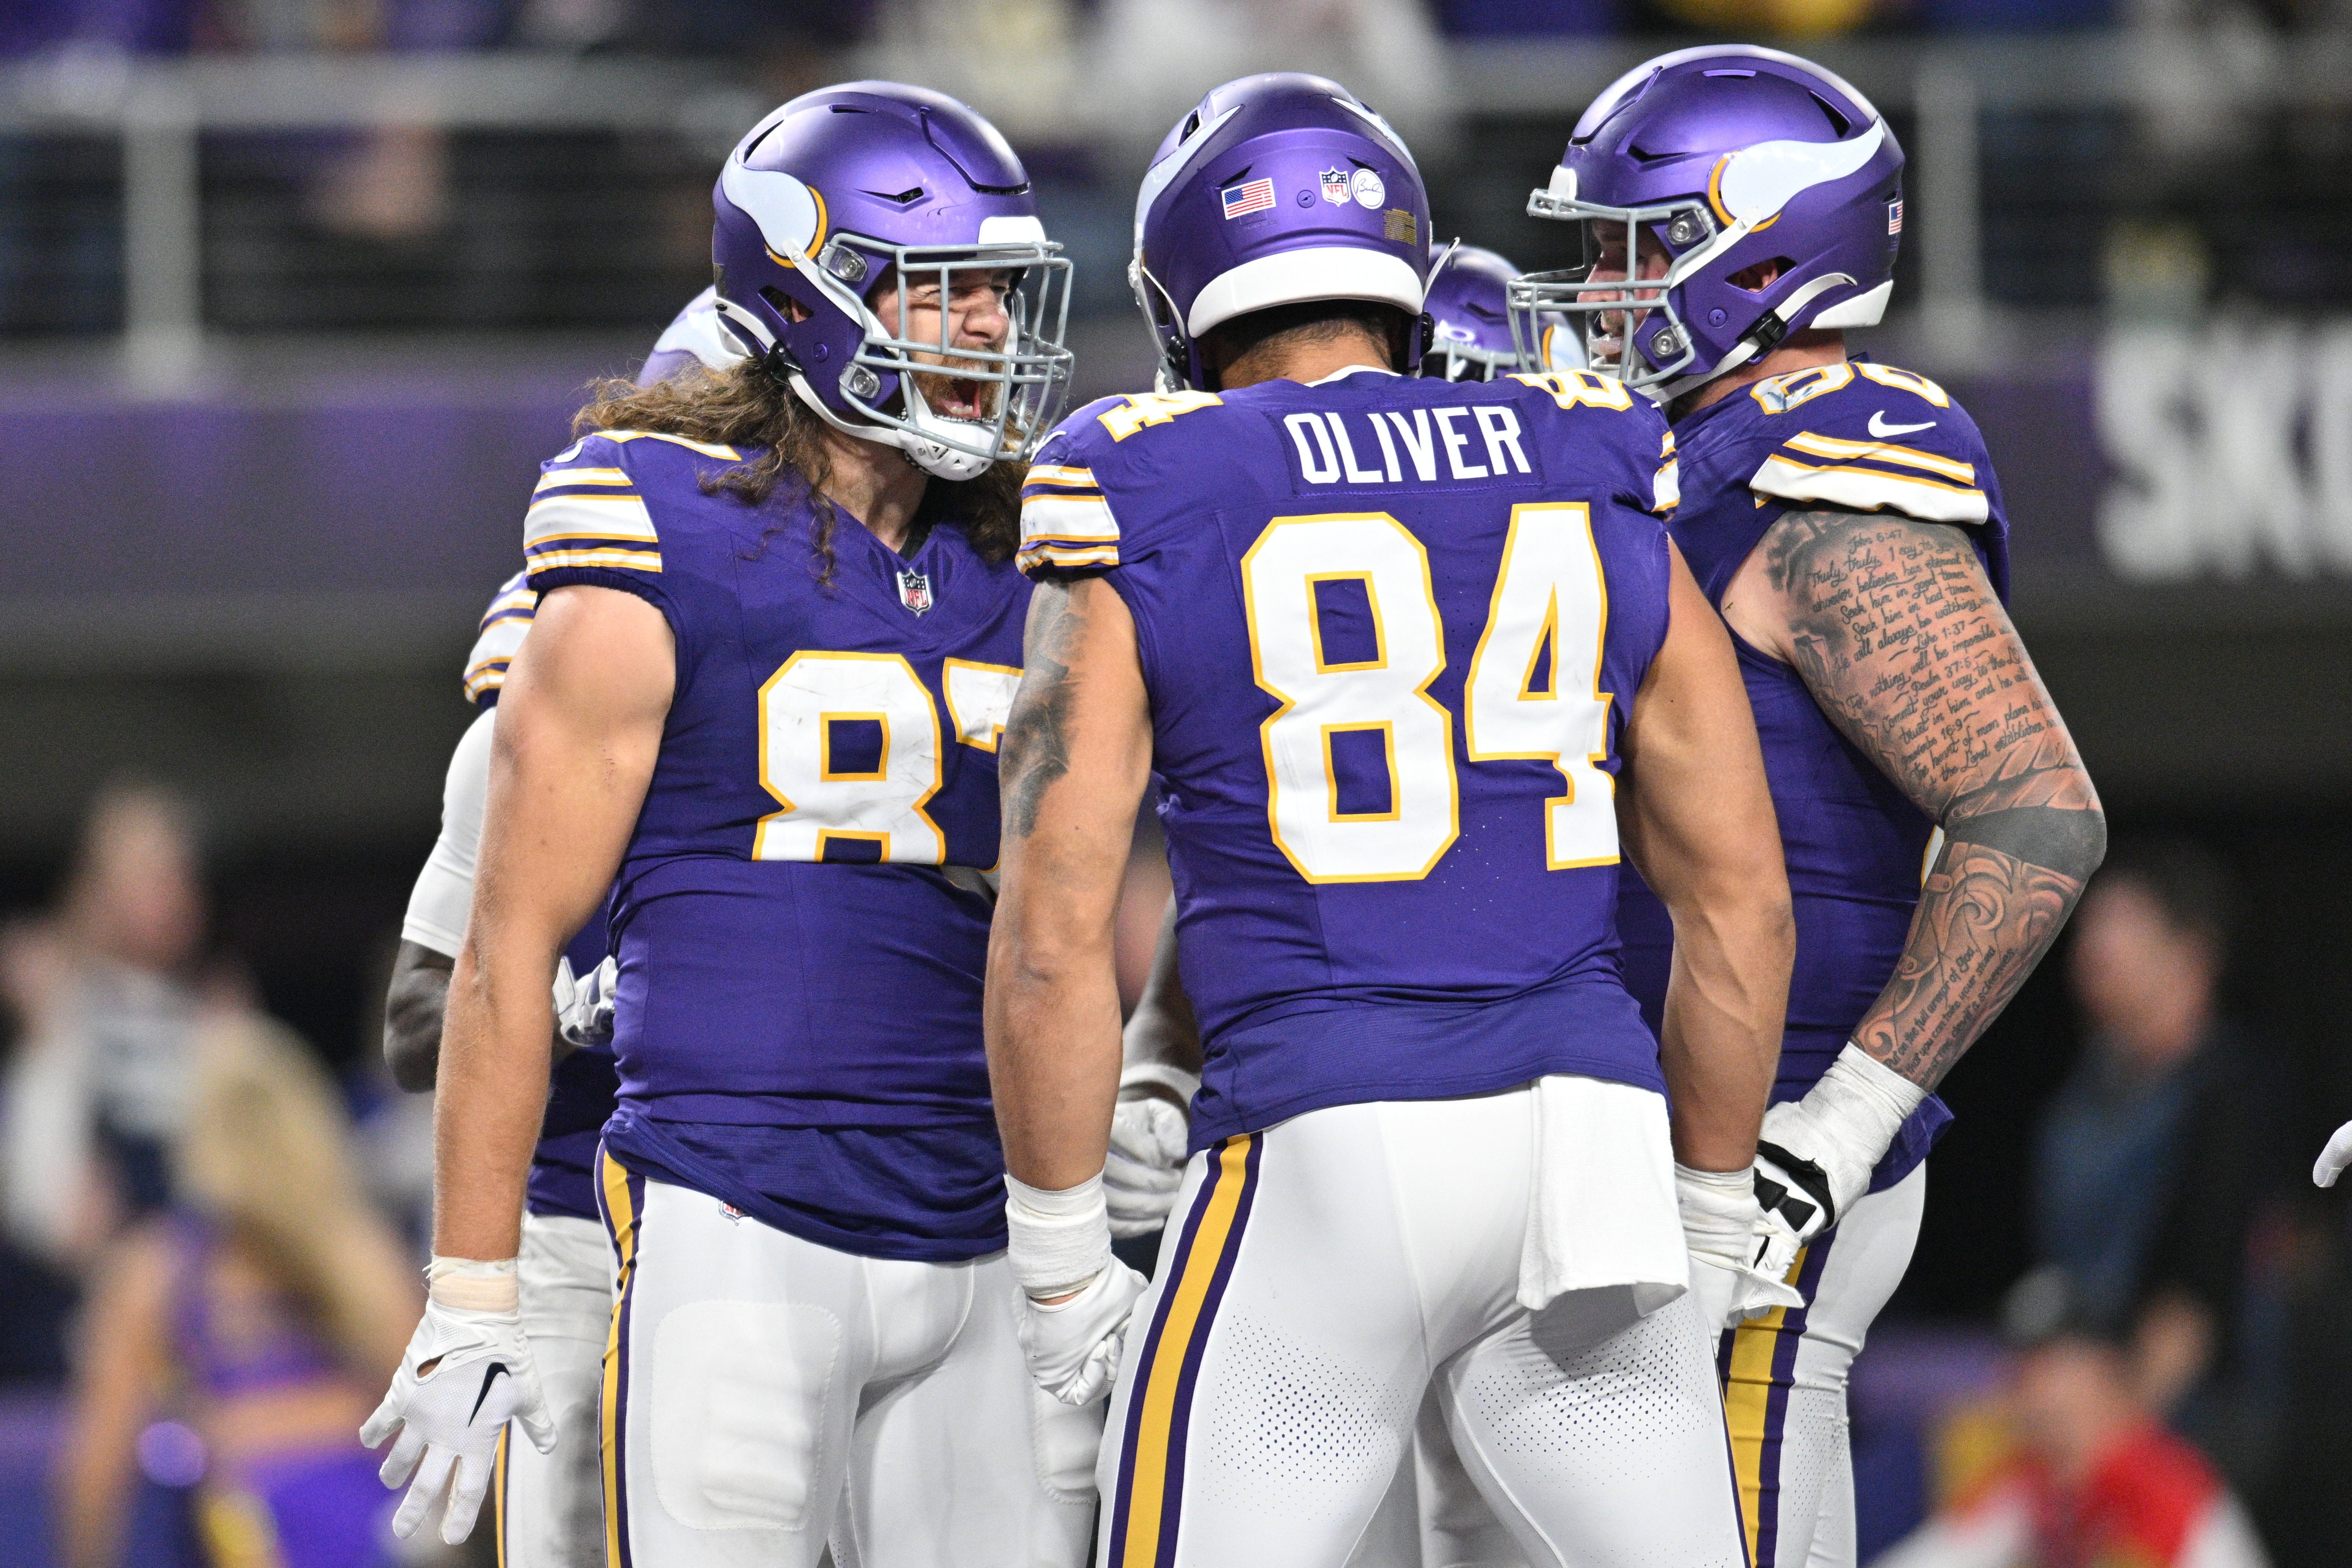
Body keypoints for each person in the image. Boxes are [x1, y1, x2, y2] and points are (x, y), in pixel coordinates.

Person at [986, 71, 1798, 1567]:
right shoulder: (1587, 452)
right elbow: (1740, 889)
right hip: (1590, 1150)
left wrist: (1056, 1278)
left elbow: (1050, 930)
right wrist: (1705, 1200)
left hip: (1327, 1140)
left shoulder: (1141, 476)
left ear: (1187, 294)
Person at [359, 81, 1103, 1567]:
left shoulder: (1027, 549)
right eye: (947, 295)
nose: (987, 337)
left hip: (975, 1215)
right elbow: (495, 954)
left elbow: (1077, 913)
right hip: (730, 1211)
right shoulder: (649, 521)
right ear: (808, 290)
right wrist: (472, 1287)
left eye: (997, 300)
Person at [1505, 43, 2107, 1568]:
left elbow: (2034, 809)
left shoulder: (1829, 466)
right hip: (1674, 1115)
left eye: (1632, 247)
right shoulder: (1700, 453)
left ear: (1760, 249)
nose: (1598, 284)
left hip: (1771, 1135)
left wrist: (1839, 1124)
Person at [377, 283, 740, 1568]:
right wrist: (576, 1001)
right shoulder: (569, 649)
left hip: (775, 1198)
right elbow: (420, 1017)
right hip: (581, 1214)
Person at [58, 1011, 421, 1568]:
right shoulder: (366, 1254)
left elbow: (97, 1469)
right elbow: (436, 1424)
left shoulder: (158, 1270)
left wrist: (240, 1429)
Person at [2040, 841, 2273, 1457]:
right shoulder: (2082, 1095)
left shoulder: (2229, 1094)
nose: (2094, 946)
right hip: (2084, 1398)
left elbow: (2201, 1294)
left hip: (2196, 1421)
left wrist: (2117, 1428)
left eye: (2124, 923)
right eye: (2092, 923)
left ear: (2192, 954)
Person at [1874, 1270, 2271, 1568]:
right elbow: (1938, 1555)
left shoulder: (2167, 1485)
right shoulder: (2033, 1479)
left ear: (2100, 1368)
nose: (2029, 1391)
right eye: (2021, 1370)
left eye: (2048, 1367)